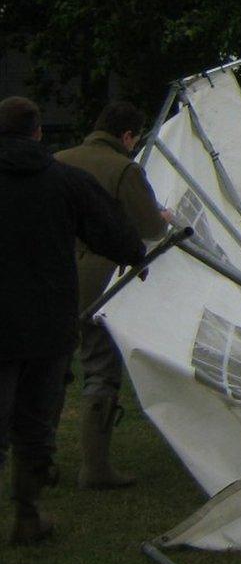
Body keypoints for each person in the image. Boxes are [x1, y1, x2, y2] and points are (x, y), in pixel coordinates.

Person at [0, 97, 146, 545]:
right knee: (35, 424)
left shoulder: (65, 175)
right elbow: (117, 236)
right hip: (47, 323)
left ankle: (29, 517)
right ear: (38, 132)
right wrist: (136, 255)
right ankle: (27, 515)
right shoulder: (65, 182)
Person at [56, 100, 170, 489]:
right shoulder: (124, 168)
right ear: (127, 136)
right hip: (98, 284)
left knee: (46, 374)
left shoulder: (57, 160)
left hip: (49, 281)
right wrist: (164, 217)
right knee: (100, 370)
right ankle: (95, 468)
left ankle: (36, 462)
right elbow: (152, 229)